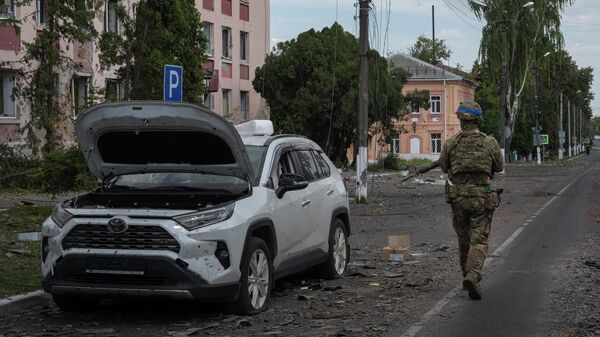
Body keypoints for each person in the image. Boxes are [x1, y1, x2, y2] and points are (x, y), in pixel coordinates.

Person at [439, 101, 504, 300]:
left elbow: (443, 166)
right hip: (481, 199)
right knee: (479, 240)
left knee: (463, 240)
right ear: (479, 119)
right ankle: (473, 274)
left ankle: (466, 277)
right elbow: (499, 167)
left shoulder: (451, 143)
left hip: (458, 198)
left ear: (460, 120)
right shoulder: (489, 142)